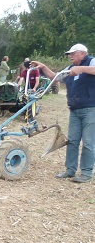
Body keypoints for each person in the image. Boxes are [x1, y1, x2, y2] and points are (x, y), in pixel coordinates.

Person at [32, 43, 95, 184]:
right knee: (72, 141)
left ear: (82, 53)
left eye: (73, 53)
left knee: (89, 142)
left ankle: (86, 173)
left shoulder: (91, 61)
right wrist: (43, 67)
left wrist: (82, 69)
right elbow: (56, 77)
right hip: (74, 110)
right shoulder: (71, 68)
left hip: (91, 109)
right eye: (70, 54)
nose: (70, 56)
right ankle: (70, 170)